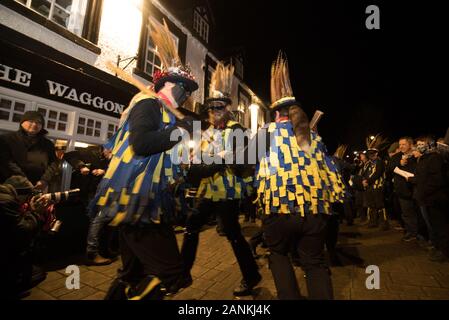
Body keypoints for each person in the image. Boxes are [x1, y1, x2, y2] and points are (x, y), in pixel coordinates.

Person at [89, 20, 198, 300]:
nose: (186, 96)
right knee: (172, 275)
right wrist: (179, 132)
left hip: (147, 204)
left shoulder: (166, 114)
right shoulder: (148, 104)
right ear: (168, 84)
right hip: (136, 203)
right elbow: (142, 144)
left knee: (132, 274)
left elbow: (164, 156)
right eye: (183, 89)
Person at [244, 53, 345, 299]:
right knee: (314, 262)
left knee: (278, 255)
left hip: (279, 212)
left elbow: (245, 163)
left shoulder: (266, 133)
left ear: (276, 114)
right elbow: (332, 172)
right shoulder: (315, 138)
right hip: (314, 212)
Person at [181, 62, 261, 297]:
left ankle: (251, 275)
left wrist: (225, 157)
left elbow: (244, 162)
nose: (215, 112)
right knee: (192, 225)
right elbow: (198, 165)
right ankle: (182, 272)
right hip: (208, 190)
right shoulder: (208, 132)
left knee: (233, 234)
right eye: (211, 108)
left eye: (219, 107)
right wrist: (200, 160)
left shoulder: (237, 130)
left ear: (227, 108)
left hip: (227, 191)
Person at [0, 176, 48, 299]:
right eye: (28, 196)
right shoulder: (6, 201)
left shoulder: (5, 196)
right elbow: (23, 230)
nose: (28, 200)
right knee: (39, 273)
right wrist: (35, 212)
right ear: (20, 193)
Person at [409, 136, 449, 262]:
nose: (418, 146)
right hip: (427, 199)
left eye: (422, 144)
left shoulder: (435, 158)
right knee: (434, 226)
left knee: (440, 226)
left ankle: (444, 251)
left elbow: (436, 180)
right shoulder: (424, 159)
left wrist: (424, 191)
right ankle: (438, 247)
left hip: (435, 199)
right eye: (418, 144)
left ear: (430, 145)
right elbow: (421, 177)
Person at [0, 111, 59, 190]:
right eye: (31, 121)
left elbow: (53, 163)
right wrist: (23, 180)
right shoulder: (6, 139)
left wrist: (45, 180)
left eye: (39, 122)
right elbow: (6, 161)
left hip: (37, 187)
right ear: (22, 122)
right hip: (9, 186)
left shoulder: (48, 144)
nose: (34, 124)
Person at [387, 137, 420, 241]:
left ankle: (421, 233)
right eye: (400, 144)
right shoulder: (396, 157)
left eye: (403, 144)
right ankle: (411, 232)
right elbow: (388, 169)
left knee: (418, 213)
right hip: (403, 191)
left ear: (410, 144)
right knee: (407, 213)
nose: (401, 146)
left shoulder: (416, 155)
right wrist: (399, 164)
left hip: (417, 189)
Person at [363, 135, 389, 230]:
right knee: (371, 205)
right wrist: (363, 181)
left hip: (378, 186)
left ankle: (384, 223)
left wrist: (368, 181)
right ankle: (373, 222)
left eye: (372, 153)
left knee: (379, 205)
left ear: (377, 153)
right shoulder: (368, 163)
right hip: (369, 187)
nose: (370, 155)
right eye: (369, 154)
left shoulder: (380, 162)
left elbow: (377, 174)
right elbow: (364, 173)